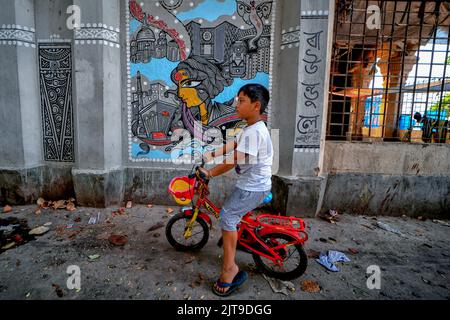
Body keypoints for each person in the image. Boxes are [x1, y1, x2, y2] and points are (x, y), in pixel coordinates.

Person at [199, 83, 273, 297]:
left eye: (241, 101)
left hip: (252, 188)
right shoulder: (250, 128)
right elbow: (232, 146)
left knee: (227, 217)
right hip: (253, 185)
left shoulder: (254, 132)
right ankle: (237, 237)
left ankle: (230, 269)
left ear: (256, 105)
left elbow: (233, 161)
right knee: (233, 215)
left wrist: (209, 173)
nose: (236, 105)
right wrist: (210, 155)